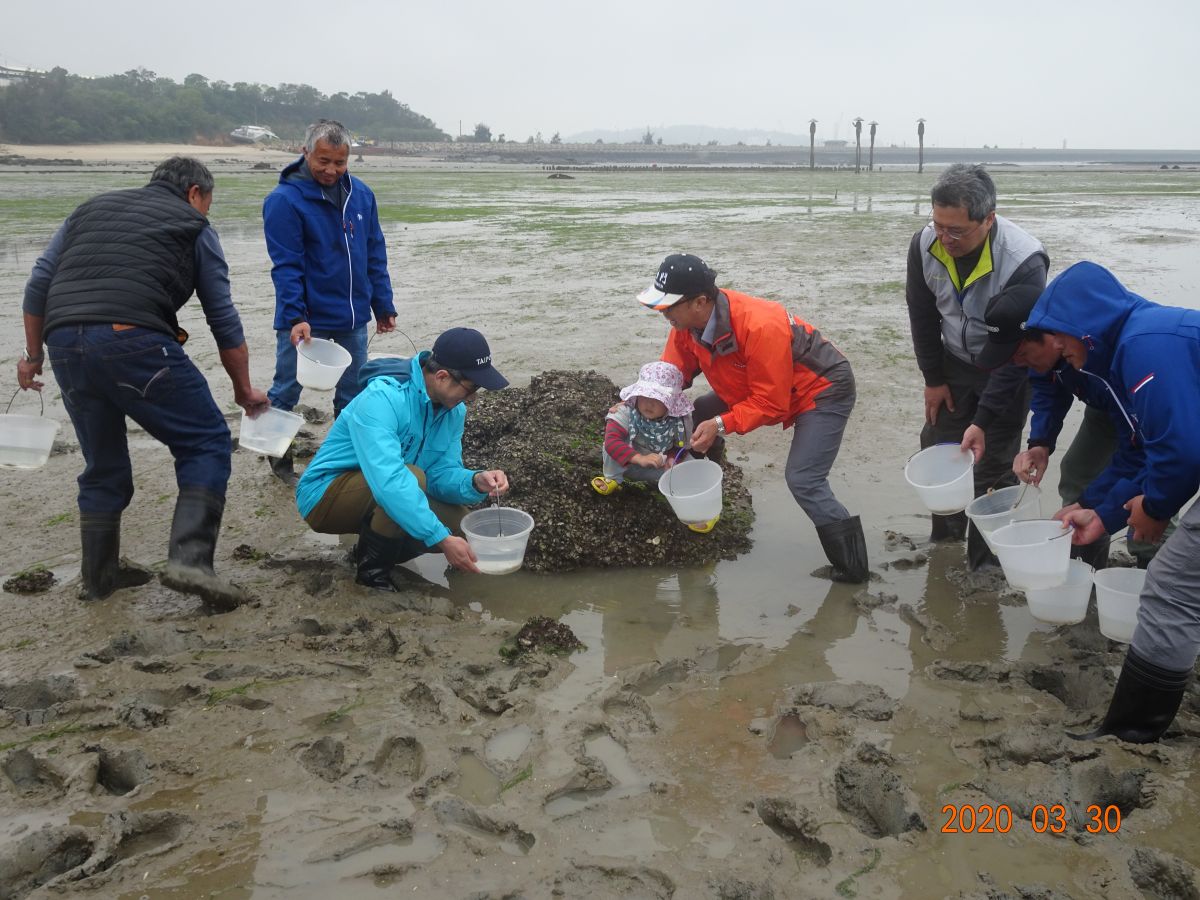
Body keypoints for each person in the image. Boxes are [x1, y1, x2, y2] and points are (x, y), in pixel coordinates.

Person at [17, 157, 270, 611]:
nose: (206, 213)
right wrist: (244, 389)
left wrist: (33, 356)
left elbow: (38, 284)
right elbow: (222, 317)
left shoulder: (88, 210)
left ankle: (99, 578)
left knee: (103, 464)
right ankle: (190, 561)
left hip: (65, 343)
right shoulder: (194, 226)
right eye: (207, 205)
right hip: (131, 339)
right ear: (195, 193)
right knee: (206, 441)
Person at [993, 261, 1200, 742]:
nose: (1061, 350)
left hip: (1176, 446)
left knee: (1171, 586)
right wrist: (1103, 513)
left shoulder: (1142, 348)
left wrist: (1155, 509)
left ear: (1082, 327)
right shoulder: (1117, 348)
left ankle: (1130, 735)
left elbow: (1179, 453)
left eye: (1061, 339)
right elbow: (1140, 449)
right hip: (1161, 441)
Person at [637, 253, 867, 583]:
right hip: (755, 384)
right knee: (699, 413)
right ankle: (701, 492)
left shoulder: (760, 324)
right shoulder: (685, 327)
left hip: (822, 387)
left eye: (668, 305)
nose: (662, 312)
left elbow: (771, 403)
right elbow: (669, 379)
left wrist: (721, 424)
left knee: (804, 479)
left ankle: (853, 571)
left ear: (700, 301)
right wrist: (633, 408)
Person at [905, 164, 1048, 570]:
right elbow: (922, 313)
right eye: (938, 225)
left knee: (993, 460)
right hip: (953, 361)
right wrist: (933, 378)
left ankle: (985, 563)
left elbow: (1021, 350)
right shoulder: (925, 244)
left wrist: (983, 419)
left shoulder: (1023, 262)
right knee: (941, 446)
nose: (944, 238)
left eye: (956, 231)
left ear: (988, 219)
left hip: (1006, 363)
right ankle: (946, 540)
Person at [296, 327, 510, 588]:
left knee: (460, 527)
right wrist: (440, 539)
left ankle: (364, 552)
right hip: (324, 495)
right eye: (471, 387)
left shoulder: (454, 412)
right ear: (442, 377)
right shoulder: (382, 398)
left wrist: (474, 481)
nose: (473, 397)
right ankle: (372, 576)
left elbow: (439, 473)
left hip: (385, 488)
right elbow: (390, 482)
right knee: (412, 482)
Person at [977, 283, 1163, 570]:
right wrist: (1040, 443)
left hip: (1143, 401)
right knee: (1077, 471)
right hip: (1104, 407)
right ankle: (1085, 565)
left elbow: (1139, 454)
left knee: (1155, 487)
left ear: (1052, 335)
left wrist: (1096, 507)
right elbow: (1047, 390)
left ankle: (1153, 564)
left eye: (1022, 354)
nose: (1020, 363)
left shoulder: (1102, 355)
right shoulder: (1051, 356)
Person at [263, 119, 397, 484]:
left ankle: (343, 460)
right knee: (286, 388)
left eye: (340, 162)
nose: (331, 170)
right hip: (304, 319)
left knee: (353, 391)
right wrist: (295, 316)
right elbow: (286, 265)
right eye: (323, 160)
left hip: (352, 317)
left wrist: (383, 305)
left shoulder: (362, 196)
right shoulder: (283, 201)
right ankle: (279, 462)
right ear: (305, 152)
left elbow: (374, 253)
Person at [593, 361, 698, 504]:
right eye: (644, 396)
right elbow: (611, 442)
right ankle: (613, 478)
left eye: (657, 399)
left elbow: (681, 447)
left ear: (672, 403)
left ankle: (688, 496)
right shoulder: (625, 411)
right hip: (627, 464)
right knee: (609, 445)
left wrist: (673, 458)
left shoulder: (680, 421)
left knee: (692, 465)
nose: (649, 403)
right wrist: (639, 458)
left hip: (658, 466)